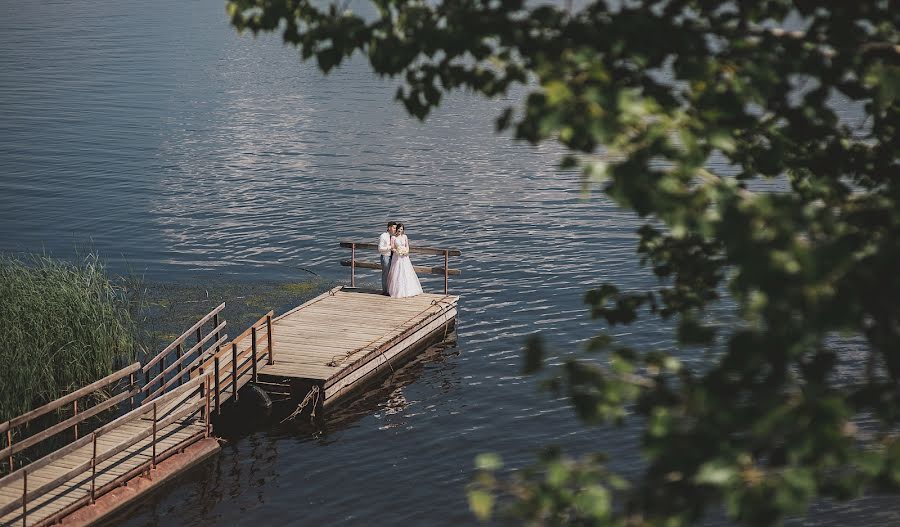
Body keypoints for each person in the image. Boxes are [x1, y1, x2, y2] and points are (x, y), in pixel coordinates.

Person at [387, 223, 424, 298]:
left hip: (405, 257)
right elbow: (392, 247)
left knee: (406, 271)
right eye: (399, 229)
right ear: (396, 229)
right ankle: (397, 291)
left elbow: (407, 246)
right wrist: (397, 251)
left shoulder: (405, 237)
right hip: (397, 256)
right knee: (397, 272)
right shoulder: (393, 238)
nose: (400, 230)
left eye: (401, 229)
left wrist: (406, 251)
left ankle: (409, 290)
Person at [378, 221, 398, 295]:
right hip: (386, 256)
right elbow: (380, 249)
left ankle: (391, 290)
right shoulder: (383, 236)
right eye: (394, 228)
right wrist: (390, 247)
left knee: (393, 274)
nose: (395, 229)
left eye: (395, 228)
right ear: (389, 228)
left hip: (393, 257)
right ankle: (385, 291)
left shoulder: (394, 236)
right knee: (386, 274)